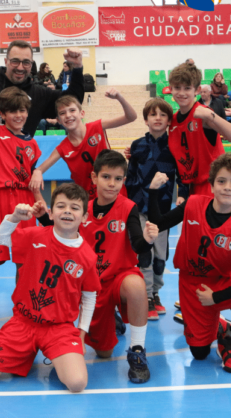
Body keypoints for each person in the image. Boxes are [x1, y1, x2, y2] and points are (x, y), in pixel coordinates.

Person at [0, 41, 85, 286]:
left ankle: (23, 305)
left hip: (19, 181)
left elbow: (70, 100)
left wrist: (76, 69)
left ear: (32, 65)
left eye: (26, 62)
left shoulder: (39, 94)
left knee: (25, 248)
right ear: (6, 61)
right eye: (15, 61)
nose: (20, 67)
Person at [0, 184, 101, 393]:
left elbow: (89, 296)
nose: (67, 211)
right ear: (50, 213)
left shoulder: (87, 256)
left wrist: (81, 333)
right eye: (61, 206)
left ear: (85, 217)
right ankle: (27, 351)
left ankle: (53, 352)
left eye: (74, 207)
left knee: (77, 383)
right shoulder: (35, 235)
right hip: (23, 322)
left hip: (59, 328)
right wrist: (14, 218)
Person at [147, 153, 231, 373]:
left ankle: (230, 339)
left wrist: (216, 298)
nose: (227, 187)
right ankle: (218, 324)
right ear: (211, 185)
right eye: (221, 181)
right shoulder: (193, 204)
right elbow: (159, 222)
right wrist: (153, 191)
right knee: (199, 354)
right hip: (192, 285)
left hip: (221, 283)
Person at [78, 150, 159, 383]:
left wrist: (148, 241)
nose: (112, 184)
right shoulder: (83, 209)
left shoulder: (128, 207)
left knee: (136, 285)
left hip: (120, 277)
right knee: (103, 353)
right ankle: (112, 320)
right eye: (106, 177)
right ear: (94, 178)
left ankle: (137, 351)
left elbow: (137, 244)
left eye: (118, 178)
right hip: (92, 286)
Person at [0, 87, 42, 295]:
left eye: (22, 110)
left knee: (25, 259)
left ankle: (21, 306)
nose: (19, 115)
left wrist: (40, 202)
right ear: (2, 114)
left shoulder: (32, 143)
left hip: (25, 199)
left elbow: (33, 179)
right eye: (13, 111)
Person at [125, 98, 181, 321]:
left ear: (169, 121)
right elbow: (130, 178)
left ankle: (156, 292)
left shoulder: (175, 146)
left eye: (163, 114)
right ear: (146, 119)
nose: (157, 118)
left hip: (164, 210)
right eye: (153, 114)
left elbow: (183, 175)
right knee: (144, 254)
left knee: (160, 257)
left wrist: (183, 194)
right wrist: (135, 202)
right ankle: (146, 297)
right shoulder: (137, 146)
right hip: (141, 209)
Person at [30, 91, 137, 201]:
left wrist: (120, 98)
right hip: (90, 202)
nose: (68, 115)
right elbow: (39, 170)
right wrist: (37, 172)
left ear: (82, 113)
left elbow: (131, 117)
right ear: (59, 121)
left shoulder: (98, 126)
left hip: (115, 195)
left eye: (72, 110)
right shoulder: (62, 148)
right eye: (62, 113)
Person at [167, 62, 231, 197]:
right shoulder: (172, 121)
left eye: (187, 88)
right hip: (191, 187)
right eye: (177, 87)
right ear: (170, 89)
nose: (182, 92)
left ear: (197, 90)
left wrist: (212, 116)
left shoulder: (203, 114)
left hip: (212, 185)